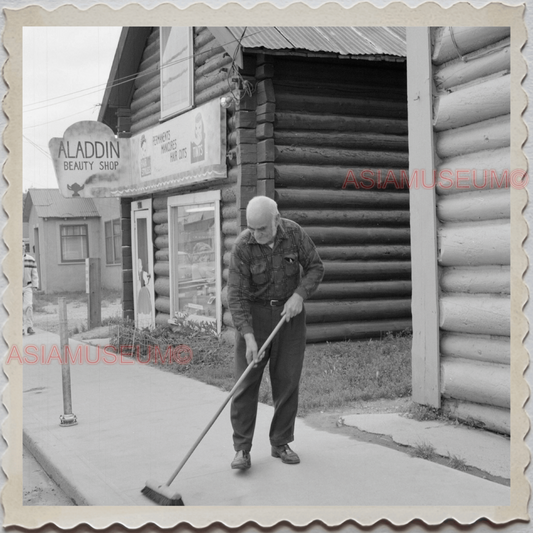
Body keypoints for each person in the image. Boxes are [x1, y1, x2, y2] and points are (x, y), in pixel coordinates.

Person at [227, 196, 324, 470]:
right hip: (255, 318)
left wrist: (300, 295)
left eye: (262, 229)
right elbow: (236, 295)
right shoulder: (243, 246)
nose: (256, 235)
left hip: (289, 317)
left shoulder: (294, 233)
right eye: (252, 229)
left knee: (287, 380)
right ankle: (242, 449)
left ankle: (280, 442)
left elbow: (316, 267)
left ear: (276, 220)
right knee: (245, 384)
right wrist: (247, 336)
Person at [23, 244, 39, 335]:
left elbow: (34, 274)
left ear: (25, 247)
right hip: (16, 287)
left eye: (22, 246)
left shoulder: (30, 259)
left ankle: (29, 327)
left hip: (28, 286)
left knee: (28, 306)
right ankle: (20, 328)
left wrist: (35, 285)